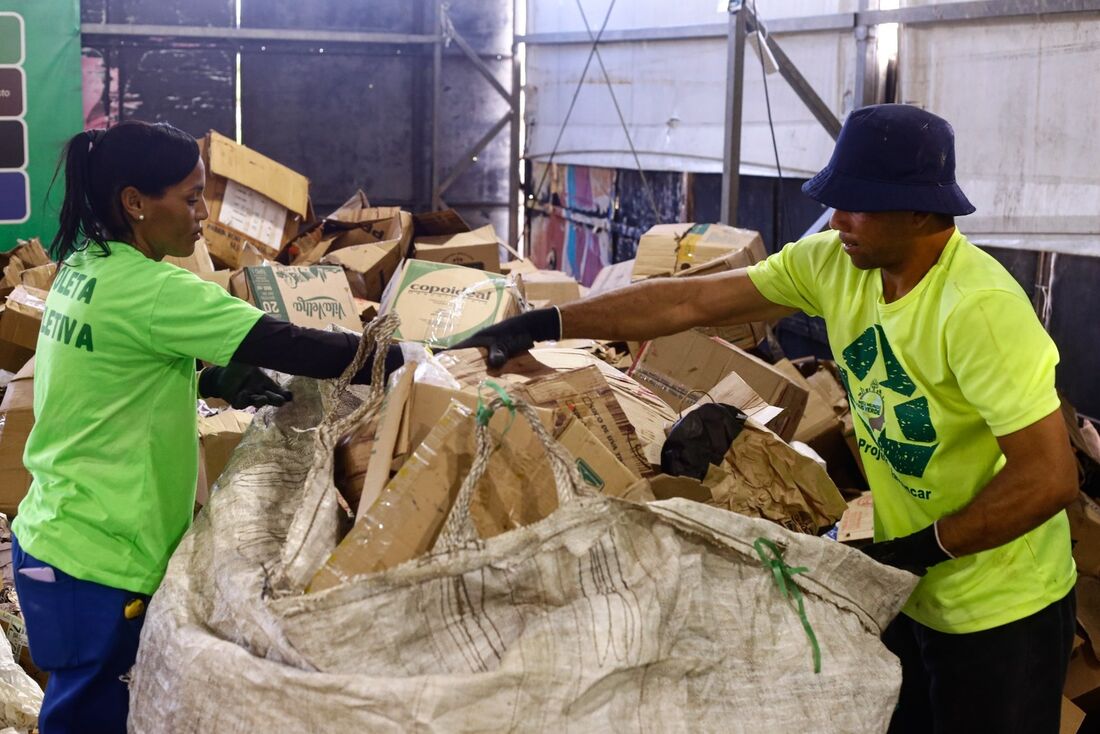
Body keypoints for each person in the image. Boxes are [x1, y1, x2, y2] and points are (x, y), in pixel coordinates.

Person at [455, 104, 1079, 733]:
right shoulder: (836, 263)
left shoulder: (979, 309)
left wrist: (924, 548)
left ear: (919, 211)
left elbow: (1050, 477)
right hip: (909, 590)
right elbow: (692, 298)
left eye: (856, 204)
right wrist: (552, 321)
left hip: (1001, 612)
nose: (837, 220)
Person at [11, 120, 402, 733]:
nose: (203, 217)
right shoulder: (155, 289)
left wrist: (213, 380)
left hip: (55, 539)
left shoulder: (85, 268)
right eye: (191, 198)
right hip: (101, 565)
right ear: (135, 203)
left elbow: (108, 374)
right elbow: (290, 343)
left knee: (91, 710)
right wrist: (420, 356)